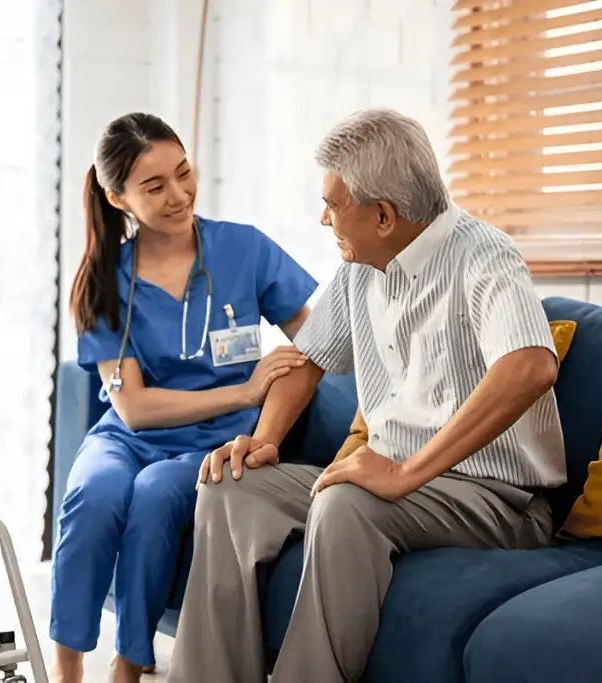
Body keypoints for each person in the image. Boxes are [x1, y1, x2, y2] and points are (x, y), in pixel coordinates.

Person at [167, 107, 568, 683]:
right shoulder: (361, 266)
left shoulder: (485, 254)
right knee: (231, 486)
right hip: (404, 490)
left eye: (333, 204)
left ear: (384, 215)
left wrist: (407, 473)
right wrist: (261, 441)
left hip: (499, 502)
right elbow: (307, 358)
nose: (323, 216)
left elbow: (530, 366)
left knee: (348, 502)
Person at [50, 112, 319, 683]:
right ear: (118, 197)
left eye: (183, 173)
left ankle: (129, 662)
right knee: (92, 496)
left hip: (219, 443)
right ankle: (66, 667)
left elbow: (320, 343)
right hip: (130, 435)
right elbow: (134, 409)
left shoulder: (242, 250)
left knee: (153, 497)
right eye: (154, 186)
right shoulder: (102, 282)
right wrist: (244, 388)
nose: (179, 195)